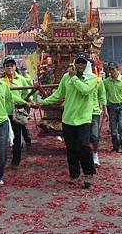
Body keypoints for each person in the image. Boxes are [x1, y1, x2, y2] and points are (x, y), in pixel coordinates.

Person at [37, 53, 99, 188]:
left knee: (84, 146)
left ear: (87, 64)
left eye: (83, 63)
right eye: (78, 62)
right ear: (75, 63)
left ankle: (89, 174)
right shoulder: (66, 77)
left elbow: (85, 90)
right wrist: (43, 102)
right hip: (68, 119)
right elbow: (58, 95)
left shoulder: (92, 78)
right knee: (71, 148)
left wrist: (74, 78)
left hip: (84, 119)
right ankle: (74, 174)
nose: (80, 65)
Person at [2, 57, 32, 169]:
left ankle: (15, 162)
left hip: (17, 112)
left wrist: (26, 102)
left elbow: (26, 92)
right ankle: (2, 160)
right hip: (3, 112)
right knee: (2, 138)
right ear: (4, 68)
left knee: (17, 138)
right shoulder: (0, 80)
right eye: (7, 65)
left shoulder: (21, 79)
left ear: (15, 67)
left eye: (12, 65)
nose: (10, 67)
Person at [90, 65, 107, 166]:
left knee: (95, 136)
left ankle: (95, 154)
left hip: (95, 112)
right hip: (82, 113)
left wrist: (105, 111)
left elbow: (102, 96)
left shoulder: (98, 80)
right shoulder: (78, 80)